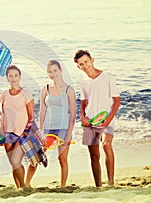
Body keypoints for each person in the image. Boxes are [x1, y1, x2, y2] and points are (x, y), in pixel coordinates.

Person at [74, 50, 121, 187]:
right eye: (81, 64)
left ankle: (111, 182)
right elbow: (83, 103)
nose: (85, 65)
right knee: (94, 155)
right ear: (79, 67)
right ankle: (98, 185)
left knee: (106, 145)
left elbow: (117, 101)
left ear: (92, 60)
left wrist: (108, 120)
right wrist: (82, 117)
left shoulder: (107, 77)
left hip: (107, 120)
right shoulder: (83, 82)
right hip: (90, 122)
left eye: (86, 61)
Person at [31, 60, 76, 188]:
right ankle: (26, 184)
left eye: (55, 70)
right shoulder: (45, 88)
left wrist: (68, 135)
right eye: (50, 72)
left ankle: (63, 186)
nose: (53, 74)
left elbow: (72, 115)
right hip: (48, 129)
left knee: (62, 160)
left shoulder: (69, 90)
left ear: (60, 70)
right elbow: (42, 111)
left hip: (63, 128)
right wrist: (40, 132)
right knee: (37, 157)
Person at [0, 65, 34, 188]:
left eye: (16, 75)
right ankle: (19, 187)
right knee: (13, 164)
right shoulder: (4, 94)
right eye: (10, 76)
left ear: (19, 77)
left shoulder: (26, 94)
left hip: (21, 134)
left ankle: (24, 186)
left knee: (16, 161)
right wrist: (1, 133)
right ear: (7, 78)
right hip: (8, 134)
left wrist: (25, 133)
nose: (13, 78)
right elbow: (3, 114)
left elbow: (31, 117)